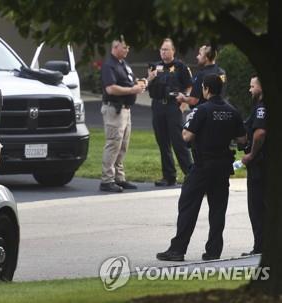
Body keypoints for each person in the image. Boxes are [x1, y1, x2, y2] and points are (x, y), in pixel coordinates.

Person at [156, 74, 246, 261]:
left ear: (205, 89)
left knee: (188, 205)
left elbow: (187, 136)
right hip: (223, 166)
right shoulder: (233, 111)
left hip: (203, 165)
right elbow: (242, 140)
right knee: (218, 209)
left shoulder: (202, 110)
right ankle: (213, 251)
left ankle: (178, 250)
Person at [99, 39, 146, 192]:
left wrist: (140, 84)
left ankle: (119, 178)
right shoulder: (109, 66)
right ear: (115, 47)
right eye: (124, 47)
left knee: (122, 146)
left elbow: (128, 82)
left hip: (126, 110)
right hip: (114, 110)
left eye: (128, 47)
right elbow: (111, 89)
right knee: (113, 144)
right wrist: (133, 90)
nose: (127, 50)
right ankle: (107, 180)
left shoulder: (123, 64)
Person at [147, 38, 193, 187]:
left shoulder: (181, 66)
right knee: (163, 143)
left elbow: (189, 86)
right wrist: (150, 77)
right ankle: (168, 176)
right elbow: (148, 85)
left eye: (166, 49)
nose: (163, 52)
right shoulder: (155, 66)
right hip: (158, 106)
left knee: (179, 142)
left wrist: (183, 104)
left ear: (173, 51)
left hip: (174, 106)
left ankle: (190, 174)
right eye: (161, 49)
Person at [241, 75, 267, 256]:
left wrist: (251, 154)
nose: (250, 90)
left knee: (257, 207)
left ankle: (260, 247)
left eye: (252, 86)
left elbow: (260, 133)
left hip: (260, 165)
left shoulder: (262, 107)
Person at [177, 44, 226, 108]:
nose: (197, 57)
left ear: (206, 58)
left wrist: (182, 98)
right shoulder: (222, 72)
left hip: (203, 113)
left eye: (200, 54)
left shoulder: (202, 74)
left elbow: (193, 100)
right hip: (218, 111)